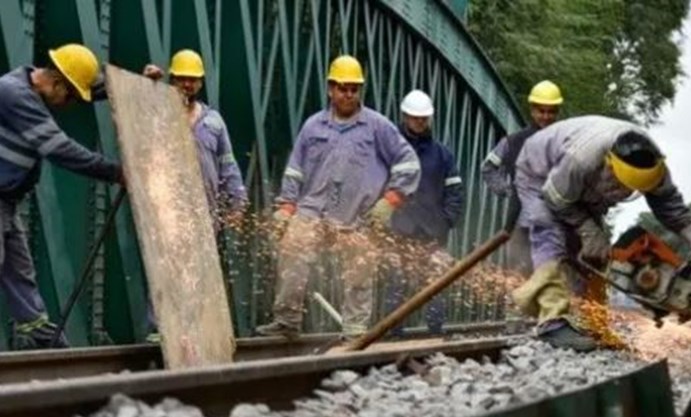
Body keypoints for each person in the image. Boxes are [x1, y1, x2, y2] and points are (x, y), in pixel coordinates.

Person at [512, 115, 691, 351]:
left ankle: (590, 323)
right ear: (609, 164)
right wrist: (588, 230)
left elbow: (667, 203)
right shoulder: (580, 160)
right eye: (620, 184)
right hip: (541, 175)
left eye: (631, 188)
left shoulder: (654, 166)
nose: (624, 191)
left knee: (594, 255)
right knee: (549, 232)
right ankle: (552, 323)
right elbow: (556, 199)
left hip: (583, 187)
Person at [255, 55, 421, 339]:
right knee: (292, 252)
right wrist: (286, 206)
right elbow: (295, 170)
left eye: (354, 88)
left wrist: (390, 201)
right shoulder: (313, 126)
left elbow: (409, 163)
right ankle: (286, 321)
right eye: (342, 88)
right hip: (313, 211)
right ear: (330, 88)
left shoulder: (377, 126)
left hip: (358, 215)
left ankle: (354, 330)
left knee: (359, 270)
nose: (348, 94)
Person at [0, 44, 126, 349]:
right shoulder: (13, 94)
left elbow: (87, 88)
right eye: (69, 96)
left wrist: (137, 83)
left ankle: (48, 347)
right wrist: (116, 172)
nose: (69, 104)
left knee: (19, 274)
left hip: (7, 201)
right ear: (55, 82)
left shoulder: (34, 88)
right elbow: (59, 149)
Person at [141, 50, 249, 342]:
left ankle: (192, 331)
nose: (187, 85)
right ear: (172, 80)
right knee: (164, 266)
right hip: (166, 205)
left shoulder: (213, 122)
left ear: (200, 83)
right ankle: (160, 328)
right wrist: (146, 84)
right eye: (181, 80)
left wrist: (237, 202)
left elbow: (228, 165)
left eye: (193, 80)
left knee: (197, 272)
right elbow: (133, 120)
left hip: (205, 210)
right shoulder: (159, 113)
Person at [480, 81, 563, 331]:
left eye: (550, 111)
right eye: (541, 110)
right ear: (532, 110)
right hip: (520, 222)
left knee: (550, 272)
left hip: (553, 222)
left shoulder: (565, 143)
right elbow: (488, 168)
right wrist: (507, 191)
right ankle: (514, 322)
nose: (545, 117)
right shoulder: (513, 142)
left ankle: (548, 321)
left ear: (557, 112)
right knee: (517, 270)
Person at [383, 90, 463, 336]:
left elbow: (455, 191)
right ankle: (394, 335)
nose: (419, 122)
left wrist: (446, 221)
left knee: (435, 286)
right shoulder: (391, 150)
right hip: (398, 231)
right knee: (397, 284)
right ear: (405, 116)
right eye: (415, 117)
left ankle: (435, 335)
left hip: (432, 233)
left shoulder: (442, 154)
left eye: (423, 118)